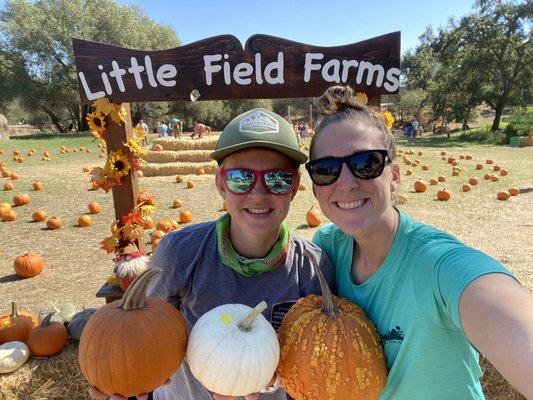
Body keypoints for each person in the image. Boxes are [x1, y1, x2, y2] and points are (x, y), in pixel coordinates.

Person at [89, 108, 335, 400]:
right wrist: (126, 379)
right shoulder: (180, 253)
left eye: (277, 179)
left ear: (294, 187)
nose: (258, 193)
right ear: (221, 184)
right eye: (241, 178)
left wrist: (274, 379)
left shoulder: (312, 268)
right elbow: (144, 336)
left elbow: (316, 365)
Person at [305, 85, 533, 400]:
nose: (345, 183)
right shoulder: (329, 246)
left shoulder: (437, 264)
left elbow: (507, 315)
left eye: (366, 163)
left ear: (394, 175)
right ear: (315, 188)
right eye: (327, 169)